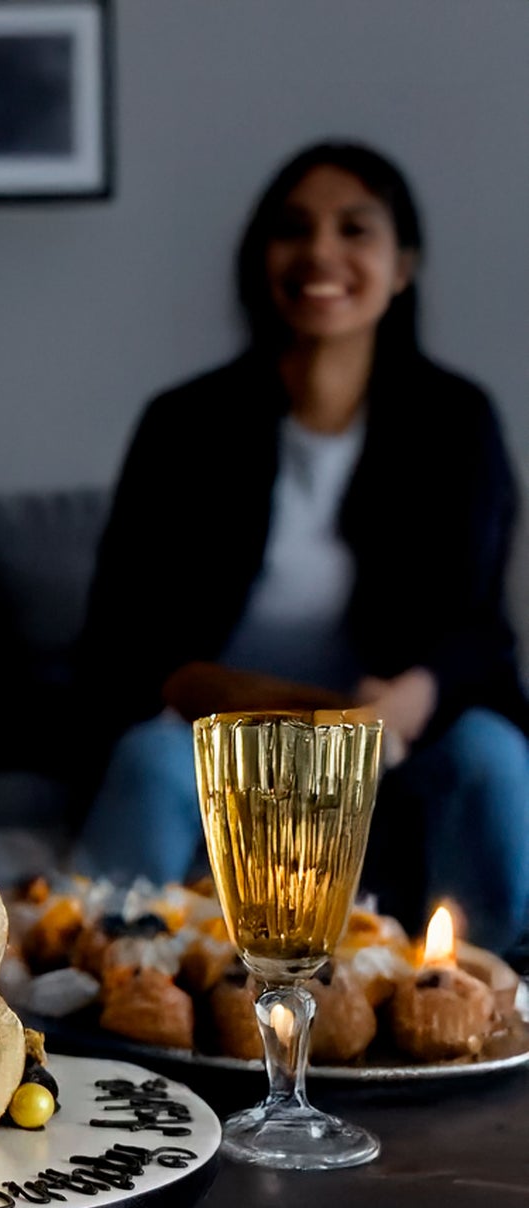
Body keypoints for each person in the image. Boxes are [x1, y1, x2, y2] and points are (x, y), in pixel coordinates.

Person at [73, 140, 529, 952]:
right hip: (219, 741)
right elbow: (121, 642)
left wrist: (396, 707)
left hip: (395, 749)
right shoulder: (182, 424)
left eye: (354, 229)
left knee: (491, 755)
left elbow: (478, 636)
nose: (320, 251)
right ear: (260, 259)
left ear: (400, 267)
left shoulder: (455, 421)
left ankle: (493, 1004)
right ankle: (102, 981)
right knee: (147, 758)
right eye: (293, 229)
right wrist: (283, 713)